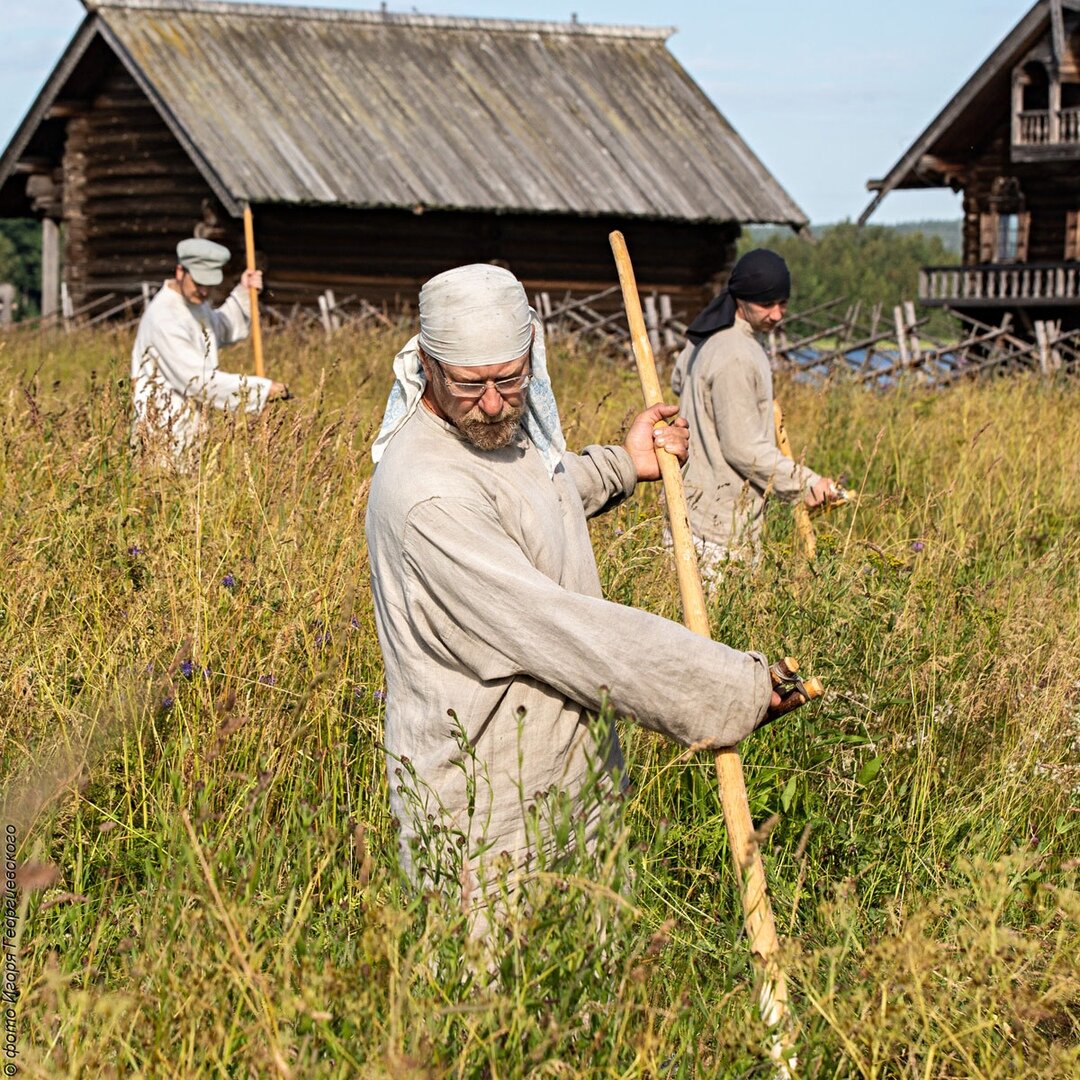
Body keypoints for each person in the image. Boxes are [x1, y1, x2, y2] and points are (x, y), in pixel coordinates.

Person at [366, 263, 790, 910]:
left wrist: (625, 464)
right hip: (487, 806)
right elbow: (563, 630)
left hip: (569, 780)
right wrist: (730, 689)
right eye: (470, 384)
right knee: (494, 998)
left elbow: (536, 497)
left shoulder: (500, 438)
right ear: (426, 365)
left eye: (510, 380)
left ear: (531, 355)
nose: (492, 403)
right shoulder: (429, 494)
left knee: (588, 996)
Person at [670, 249, 837, 575]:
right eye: (766, 304)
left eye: (783, 303)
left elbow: (679, 380)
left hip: (685, 511)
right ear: (741, 299)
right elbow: (742, 447)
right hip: (718, 529)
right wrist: (807, 483)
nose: (777, 315)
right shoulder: (737, 354)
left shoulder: (706, 335)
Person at [131, 238, 288, 459]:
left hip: (189, 433)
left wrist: (244, 291)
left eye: (209, 285)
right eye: (199, 283)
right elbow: (198, 382)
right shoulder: (164, 318)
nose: (204, 291)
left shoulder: (194, 304)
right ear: (180, 272)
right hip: (162, 438)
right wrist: (261, 390)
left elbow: (219, 329)